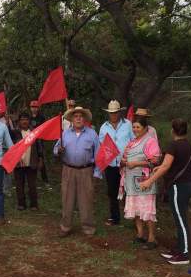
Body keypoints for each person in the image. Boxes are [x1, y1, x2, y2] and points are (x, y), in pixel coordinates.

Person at [139, 118, 191, 265]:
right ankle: (180, 248)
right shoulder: (189, 145)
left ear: (173, 131)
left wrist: (149, 181)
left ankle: (184, 254)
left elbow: (165, 166)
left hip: (178, 187)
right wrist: (161, 167)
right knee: (180, 218)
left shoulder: (173, 145)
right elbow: (173, 164)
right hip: (187, 185)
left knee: (181, 220)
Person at [54, 106, 101, 237]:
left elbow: (99, 155)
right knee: (67, 199)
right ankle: (65, 226)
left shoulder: (92, 134)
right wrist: (59, 151)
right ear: (72, 119)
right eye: (76, 116)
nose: (79, 118)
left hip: (86, 170)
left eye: (81, 116)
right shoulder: (65, 133)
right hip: (68, 170)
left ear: (85, 119)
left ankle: (88, 228)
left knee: (86, 199)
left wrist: (97, 173)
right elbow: (56, 149)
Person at [120, 115, 161, 249]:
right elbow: (124, 158)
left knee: (147, 209)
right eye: (134, 127)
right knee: (136, 208)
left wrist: (136, 163)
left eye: (138, 127)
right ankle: (140, 235)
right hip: (131, 180)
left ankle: (151, 238)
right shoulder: (132, 142)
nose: (135, 129)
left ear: (145, 128)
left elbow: (155, 161)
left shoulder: (150, 142)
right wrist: (124, 162)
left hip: (145, 179)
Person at [98, 100, 134, 226]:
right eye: (111, 113)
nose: (113, 115)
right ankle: (115, 217)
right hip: (111, 164)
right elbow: (101, 145)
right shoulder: (104, 127)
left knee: (129, 190)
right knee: (112, 191)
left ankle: (132, 216)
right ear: (108, 113)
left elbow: (134, 142)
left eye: (115, 112)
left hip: (126, 164)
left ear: (119, 112)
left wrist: (129, 156)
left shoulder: (128, 125)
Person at [10, 112, 44, 211]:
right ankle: (21, 204)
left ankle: (34, 204)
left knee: (32, 185)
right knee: (19, 185)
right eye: (22, 119)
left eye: (26, 119)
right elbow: (11, 147)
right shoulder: (14, 133)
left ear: (29, 121)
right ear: (19, 121)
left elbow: (39, 146)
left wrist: (41, 159)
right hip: (19, 163)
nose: (24, 121)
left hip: (32, 162)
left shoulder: (34, 132)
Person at [29, 100, 49, 184]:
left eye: (36, 107)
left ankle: (45, 180)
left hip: (39, 140)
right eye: (33, 107)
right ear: (30, 108)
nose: (34, 109)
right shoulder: (28, 117)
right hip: (30, 140)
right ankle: (32, 179)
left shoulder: (41, 117)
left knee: (41, 159)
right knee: (31, 159)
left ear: (38, 108)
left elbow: (45, 128)